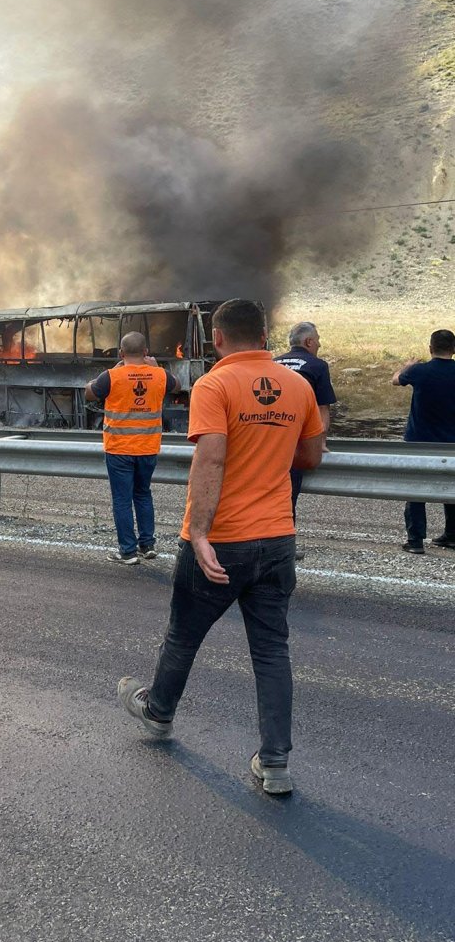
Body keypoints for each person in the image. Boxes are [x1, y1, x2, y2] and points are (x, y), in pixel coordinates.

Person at [116, 299, 325, 795]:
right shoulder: (298, 385)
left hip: (223, 539)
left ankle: (159, 713)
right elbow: (312, 456)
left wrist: (204, 533)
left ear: (218, 338)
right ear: (265, 334)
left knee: (183, 636)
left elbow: (210, 460)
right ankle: (274, 762)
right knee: (272, 652)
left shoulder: (214, 385)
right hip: (277, 538)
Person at [85, 331, 177, 565]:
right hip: (148, 448)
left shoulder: (111, 376)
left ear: (121, 353)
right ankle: (147, 545)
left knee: (122, 500)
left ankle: (127, 551)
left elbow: (89, 393)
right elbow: (176, 386)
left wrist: (109, 373)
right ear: (146, 353)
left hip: (119, 449)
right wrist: (156, 367)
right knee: (143, 494)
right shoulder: (160, 375)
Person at [275, 321, 336, 559]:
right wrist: (319, 443)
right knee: (287, 497)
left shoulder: (272, 362)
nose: (319, 343)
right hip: (295, 442)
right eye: (318, 339)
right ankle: (282, 549)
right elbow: (322, 409)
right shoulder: (317, 365)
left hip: (266, 436)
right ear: (309, 342)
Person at [392, 328, 455, 553]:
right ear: (454, 350)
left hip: (419, 440)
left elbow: (395, 381)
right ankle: (452, 535)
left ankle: (416, 540)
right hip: (452, 441)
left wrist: (408, 365)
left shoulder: (419, 371)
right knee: (451, 487)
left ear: (430, 348)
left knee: (415, 488)